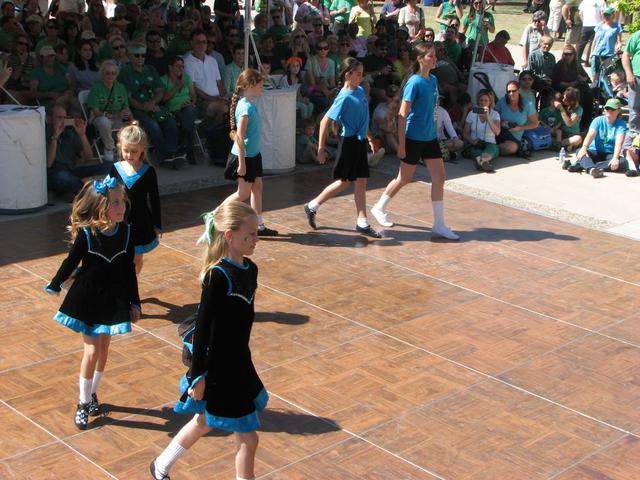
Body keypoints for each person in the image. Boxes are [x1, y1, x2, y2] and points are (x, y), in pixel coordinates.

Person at [150, 201, 267, 480]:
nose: (255, 239)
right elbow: (203, 329)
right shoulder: (217, 276)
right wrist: (198, 375)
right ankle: (161, 466)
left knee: (203, 422)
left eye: (256, 232)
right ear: (229, 235)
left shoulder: (250, 269)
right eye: (249, 234)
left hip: (238, 363)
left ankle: (161, 465)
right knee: (248, 439)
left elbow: (243, 323)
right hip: (218, 368)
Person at [45, 176, 140, 430]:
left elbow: (129, 270)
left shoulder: (127, 233)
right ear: (99, 206)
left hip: (114, 298)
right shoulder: (87, 235)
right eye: (115, 203)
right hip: (88, 299)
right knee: (91, 351)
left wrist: (135, 302)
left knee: (104, 350)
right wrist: (55, 283)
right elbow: (70, 262)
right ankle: (83, 402)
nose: (121, 207)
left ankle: (93, 392)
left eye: (122, 202)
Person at [370, 43, 459, 240]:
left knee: (440, 177)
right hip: (413, 137)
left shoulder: (433, 79)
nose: (435, 59)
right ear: (420, 59)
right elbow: (402, 115)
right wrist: (401, 145)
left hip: (429, 137)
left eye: (435, 55)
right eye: (431, 56)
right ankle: (379, 207)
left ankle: (439, 224)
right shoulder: (414, 82)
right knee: (404, 178)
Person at [303, 57, 381, 238]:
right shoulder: (344, 97)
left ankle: (362, 221)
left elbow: (364, 119)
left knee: (361, 181)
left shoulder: (360, 91)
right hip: (349, 143)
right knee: (344, 182)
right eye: (358, 74)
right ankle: (312, 205)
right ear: (348, 75)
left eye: (362, 74)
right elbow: (324, 122)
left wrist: (369, 138)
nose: (362, 77)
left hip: (360, 142)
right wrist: (321, 148)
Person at [222, 68, 279, 237]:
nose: (262, 88)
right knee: (243, 193)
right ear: (251, 85)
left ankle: (259, 225)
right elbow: (239, 137)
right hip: (245, 157)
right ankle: (216, 214)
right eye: (261, 85)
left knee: (257, 188)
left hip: (253, 155)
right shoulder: (245, 108)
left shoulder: (248, 103)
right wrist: (241, 163)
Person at [109, 123, 161, 274]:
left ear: (142, 150)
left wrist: (157, 224)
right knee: (119, 256)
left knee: (136, 258)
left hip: (140, 223)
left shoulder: (149, 171)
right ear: (120, 147)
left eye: (134, 151)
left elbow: (154, 199)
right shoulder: (116, 168)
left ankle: (133, 283)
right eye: (126, 151)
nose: (129, 155)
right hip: (120, 220)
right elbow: (107, 193)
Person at [119, 42, 182, 166]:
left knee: (170, 121)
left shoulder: (151, 69)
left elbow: (160, 91)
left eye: (143, 55)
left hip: (154, 106)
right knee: (153, 126)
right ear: (130, 56)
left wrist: (152, 103)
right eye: (136, 55)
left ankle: (171, 153)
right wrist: (143, 107)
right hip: (136, 109)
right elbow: (128, 96)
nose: (140, 58)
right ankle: (162, 158)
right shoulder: (125, 73)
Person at [46, 104, 112, 198]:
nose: (63, 120)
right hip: (55, 172)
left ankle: (78, 188)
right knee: (62, 177)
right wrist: (55, 136)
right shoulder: (44, 134)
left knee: (109, 166)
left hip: (71, 170)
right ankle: (89, 190)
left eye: (65, 118)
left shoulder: (69, 133)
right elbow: (48, 163)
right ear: (50, 119)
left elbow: (88, 157)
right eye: (59, 117)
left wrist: (82, 135)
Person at [568, 98, 627, 176]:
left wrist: (615, 158)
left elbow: (619, 143)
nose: (609, 110)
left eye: (612, 109)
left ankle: (585, 165)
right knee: (580, 151)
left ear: (618, 110)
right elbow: (590, 135)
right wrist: (584, 148)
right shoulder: (598, 120)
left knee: (623, 163)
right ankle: (591, 168)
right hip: (594, 151)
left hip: (609, 154)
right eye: (607, 108)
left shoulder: (621, 124)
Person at [87, 60, 132, 162]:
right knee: (104, 121)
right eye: (107, 73)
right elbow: (95, 111)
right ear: (102, 74)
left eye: (113, 73)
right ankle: (109, 148)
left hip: (118, 117)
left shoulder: (121, 87)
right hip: (100, 116)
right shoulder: (96, 88)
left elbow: (126, 106)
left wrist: (129, 115)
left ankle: (127, 150)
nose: (110, 75)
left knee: (132, 124)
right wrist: (115, 115)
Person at [184, 29, 229, 127]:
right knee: (224, 109)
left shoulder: (212, 60)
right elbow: (194, 88)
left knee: (236, 105)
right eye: (198, 42)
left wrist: (225, 96)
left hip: (216, 99)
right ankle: (212, 136)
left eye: (204, 42)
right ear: (192, 43)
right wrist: (213, 99)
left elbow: (219, 83)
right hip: (201, 101)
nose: (202, 45)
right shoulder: (187, 62)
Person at [161, 56, 199, 165]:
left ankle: (185, 145)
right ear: (170, 67)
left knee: (189, 112)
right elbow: (163, 98)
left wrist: (192, 102)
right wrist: (177, 87)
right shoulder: (163, 80)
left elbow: (193, 96)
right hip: (173, 110)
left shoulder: (186, 78)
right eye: (178, 66)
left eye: (182, 66)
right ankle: (188, 148)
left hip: (188, 107)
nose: (181, 69)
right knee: (187, 118)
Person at [551, 43, 593, 130]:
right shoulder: (560, 65)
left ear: (574, 55)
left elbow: (587, 78)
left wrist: (582, 78)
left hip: (576, 88)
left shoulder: (577, 65)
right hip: (563, 88)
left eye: (570, 54)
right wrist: (568, 84)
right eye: (566, 54)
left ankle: (584, 124)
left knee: (588, 96)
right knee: (572, 94)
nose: (568, 56)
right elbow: (555, 81)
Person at [494, 80, 539, 157]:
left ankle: (490, 149)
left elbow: (535, 124)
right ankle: (491, 150)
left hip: (514, 136)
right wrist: (501, 122)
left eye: (514, 91)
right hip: (499, 131)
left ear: (519, 90)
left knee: (511, 148)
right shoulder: (502, 101)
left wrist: (520, 128)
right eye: (509, 91)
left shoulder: (527, 104)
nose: (511, 93)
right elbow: (493, 116)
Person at [463, 89, 501, 172]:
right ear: (478, 101)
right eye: (481, 100)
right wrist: (472, 141)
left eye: (486, 100)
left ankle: (481, 161)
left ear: (490, 102)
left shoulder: (495, 114)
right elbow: (465, 133)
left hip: (490, 143)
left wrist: (488, 117)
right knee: (474, 150)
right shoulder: (472, 113)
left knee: (493, 149)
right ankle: (483, 162)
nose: (483, 103)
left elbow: (497, 132)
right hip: (475, 143)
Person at [590, 7, 622, 83]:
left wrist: (619, 46)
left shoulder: (617, 27)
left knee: (607, 76)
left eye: (608, 15)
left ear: (612, 15)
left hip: (608, 55)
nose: (606, 17)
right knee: (595, 75)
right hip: (597, 54)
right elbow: (595, 40)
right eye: (604, 15)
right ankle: (594, 91)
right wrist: (592, 53)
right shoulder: (599, 26)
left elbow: (619, 41)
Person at [576, 0, 605, 65]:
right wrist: (603, 23)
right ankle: (588, 60)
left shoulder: (585, 1)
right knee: (593, 44)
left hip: (586, 25)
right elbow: (602, 13)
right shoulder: (601, 1)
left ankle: (577, 60)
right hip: (597, 25)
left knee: (582, 43)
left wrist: (584, 21)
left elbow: (580, 13)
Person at [553, 86, 582, 151]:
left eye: (566, 99)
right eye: (563, 98)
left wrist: (561, 109)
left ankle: (559, 145)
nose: (563, 100)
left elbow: (569, 124)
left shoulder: (579, 110)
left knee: (578, 138)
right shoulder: (564, 105)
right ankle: (566, 146)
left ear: (573, 101)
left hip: (572, 135)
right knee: (558, 132)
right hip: (561, 133)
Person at [622, 29, 640, 133]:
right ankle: (634, 133)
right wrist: (629, 73)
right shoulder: (637, 35)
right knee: (634, 107)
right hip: (637, 77)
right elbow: (625, 55)